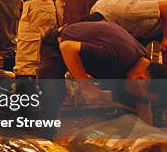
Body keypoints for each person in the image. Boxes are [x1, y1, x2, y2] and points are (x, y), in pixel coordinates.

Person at [38, 21, 166, 130]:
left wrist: (147, 134)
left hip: (91, 50)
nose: (143, 99)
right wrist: (86, 85)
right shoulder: (112, 57)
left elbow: (144, 109)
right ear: (141, 79)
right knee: (52, 92)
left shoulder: (144, 67)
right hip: (58, 43)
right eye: (143, 96)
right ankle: (46, 140)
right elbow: (67, 47)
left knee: (128, 99)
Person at [85, 0, 167, 51]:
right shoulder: (94, 14)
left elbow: (165, 6)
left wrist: (166, 38)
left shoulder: (124, 10)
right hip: (145, 30)